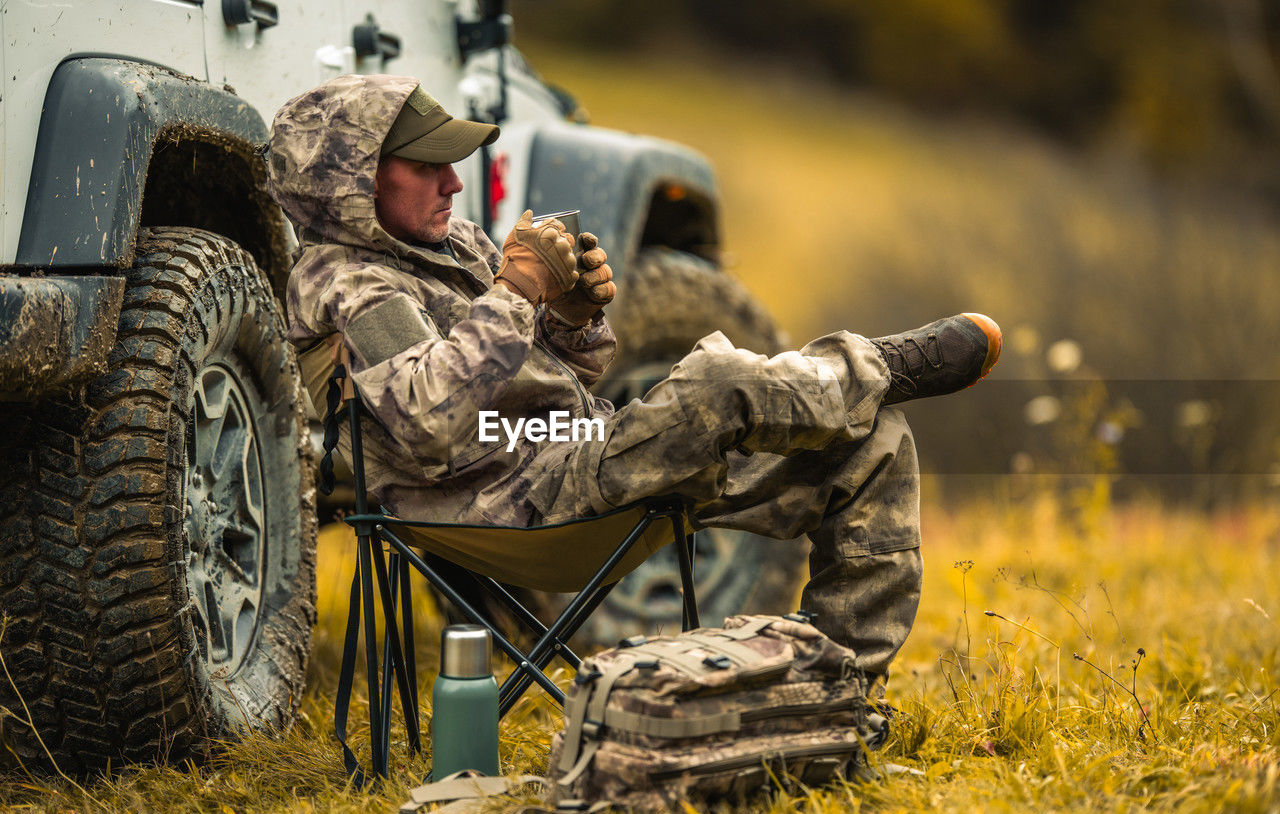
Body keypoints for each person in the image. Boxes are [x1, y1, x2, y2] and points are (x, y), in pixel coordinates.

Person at [266, 75, 1001, 683]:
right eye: (426, 165)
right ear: (351, 180)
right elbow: (428, 420)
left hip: (578, 455)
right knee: (712, 380)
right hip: (505, 507)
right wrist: (515, 294)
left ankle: (831, 686)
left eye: (450, 162)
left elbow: (539, 382)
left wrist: (572, 321)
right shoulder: (349, 286)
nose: (454, 182)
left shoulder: (450, 242)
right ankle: (881, 363)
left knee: (869, 439)